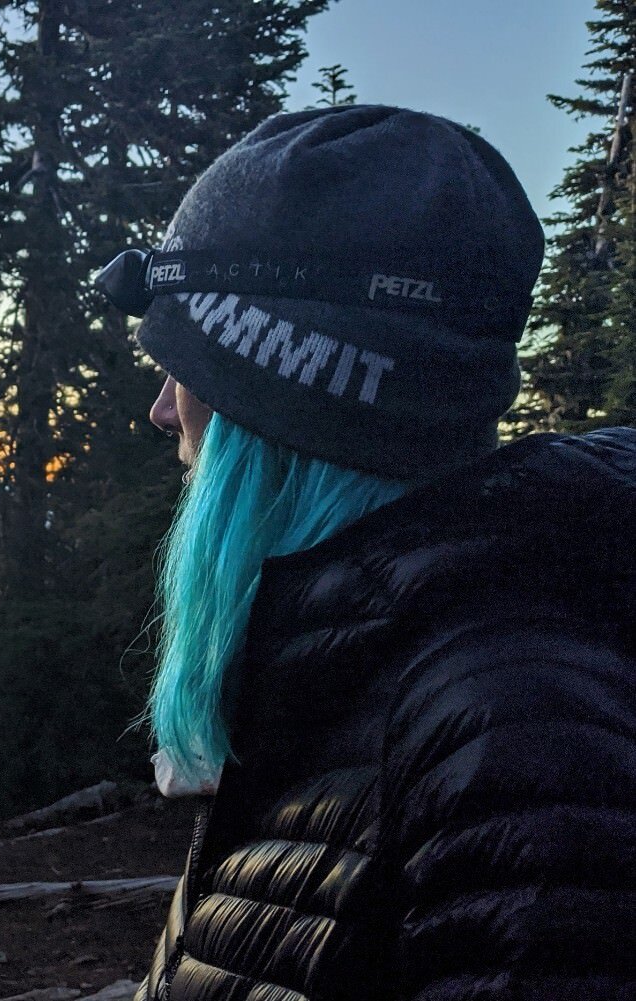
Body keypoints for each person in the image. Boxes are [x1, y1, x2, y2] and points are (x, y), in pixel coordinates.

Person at [96, 105, 636, 1001]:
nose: (163, 409)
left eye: (186, 368)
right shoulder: (349, 669)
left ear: (282, 399)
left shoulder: (511, 736)